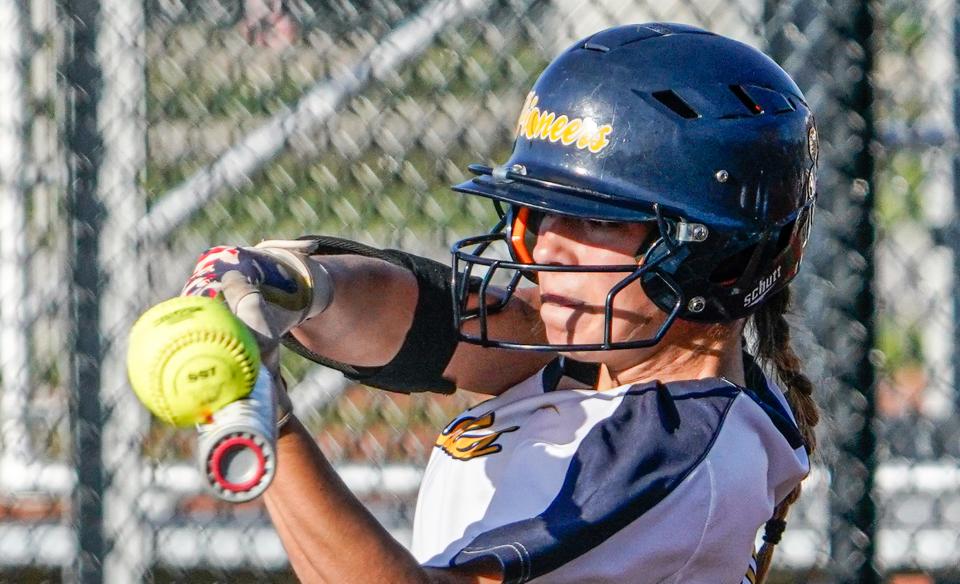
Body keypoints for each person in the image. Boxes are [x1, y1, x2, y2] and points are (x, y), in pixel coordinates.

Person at [181, 22, 819, 584]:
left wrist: (261, 414)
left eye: (597, 223)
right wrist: (298, 284)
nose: (544, 246)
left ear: (720, 256)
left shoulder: (681, 454)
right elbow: (420, 320)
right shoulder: (614, 351)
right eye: (535, 213)